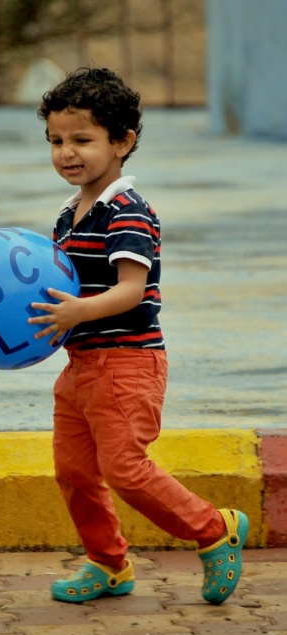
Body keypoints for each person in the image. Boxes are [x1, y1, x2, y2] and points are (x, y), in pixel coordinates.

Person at [28, 67, 247, 605]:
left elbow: (131, 289)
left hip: (127, 364)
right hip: (81, 365)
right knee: (75, 471)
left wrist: (77, 309)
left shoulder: (128, 212)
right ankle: (108, 564)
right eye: (56, 141)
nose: (66, 153)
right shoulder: (69, 214)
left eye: (82, 140)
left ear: (122, 142)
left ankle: (214, 529)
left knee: (125, 470)